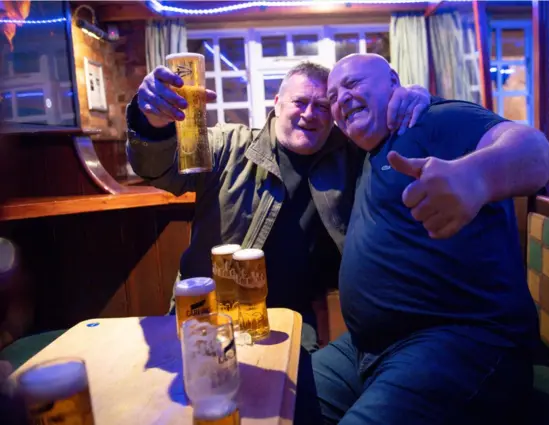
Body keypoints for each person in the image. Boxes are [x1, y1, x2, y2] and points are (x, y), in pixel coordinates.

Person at [306, 53, 549, 425]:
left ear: (393, 82)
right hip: (364, 349)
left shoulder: (432, 119)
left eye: (353, 84)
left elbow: (538, 153)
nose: (341, 98)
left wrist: (478, 176)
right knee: (276, 402)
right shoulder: (366, 150)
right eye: (333, 97)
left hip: (461, 342)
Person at [126, 61, 430, 353]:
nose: (309, 114)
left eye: (322, 106)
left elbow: (399, 146)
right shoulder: (230, 146)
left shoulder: (350, 155)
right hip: (210, 311)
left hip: (294, 316)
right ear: (278, 103)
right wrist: (152, 120)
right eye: (299, 102)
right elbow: (157, 167)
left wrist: (411, 101)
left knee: (299, 399)